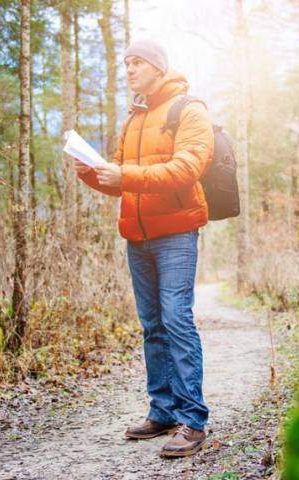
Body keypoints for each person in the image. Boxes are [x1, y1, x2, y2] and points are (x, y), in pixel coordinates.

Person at [73, 38, 214, 458]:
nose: (129, 69)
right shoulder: (134, 117)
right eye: (127, 63)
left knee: (176, 319)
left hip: (175, 233)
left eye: (137, 63)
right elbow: (119, 177)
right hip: (137, 236)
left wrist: (125, 176)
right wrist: (92, 172)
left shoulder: (189, 109)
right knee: (152, 325)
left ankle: (193, 420)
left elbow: (188, 167)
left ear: (157, 67)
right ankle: (163, 410)